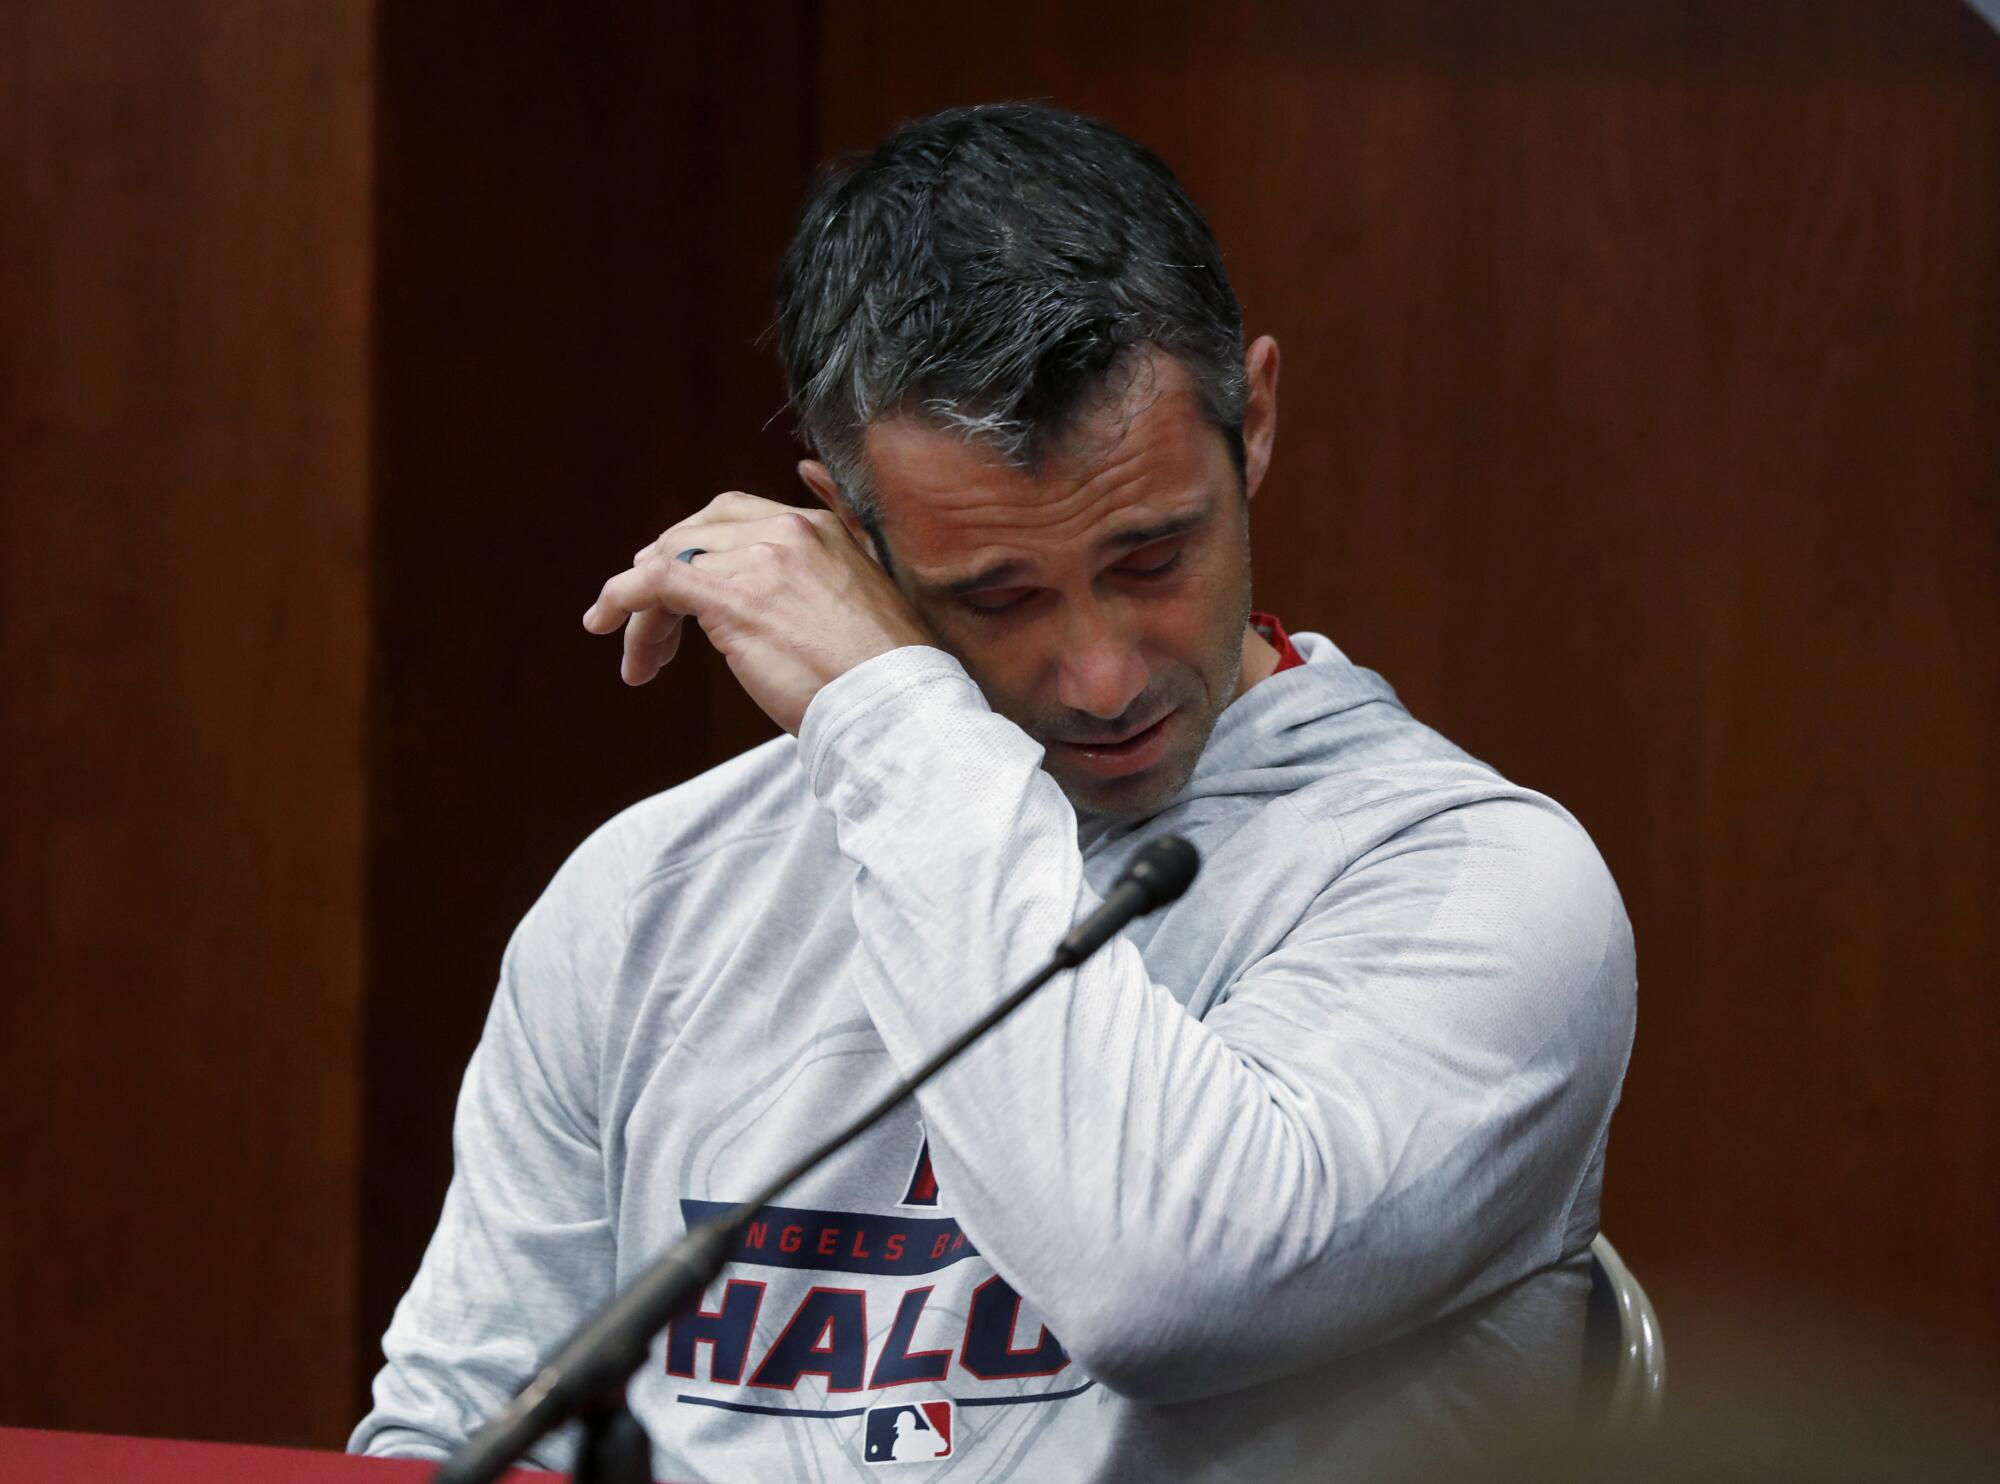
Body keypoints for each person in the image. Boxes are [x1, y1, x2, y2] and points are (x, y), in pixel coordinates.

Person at [351, 103, 1636, 1481]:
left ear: (1251, 420)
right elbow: (456, 1437)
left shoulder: (1477, 882)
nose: (1097, 676)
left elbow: (1155, 1278)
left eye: (1152, 559)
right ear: (853, 537)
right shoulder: (645, 896)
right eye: (996, 595)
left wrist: (897, 716)